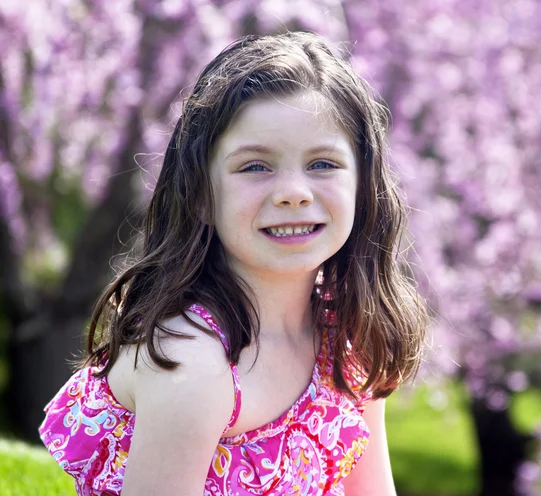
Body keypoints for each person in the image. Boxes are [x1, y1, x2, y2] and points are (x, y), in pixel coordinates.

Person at [39, 31, 428, 496]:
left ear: (364, 188)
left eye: (323, 164)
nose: (294, 192)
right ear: (201, 195)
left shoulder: (346, 336)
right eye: (255, 166)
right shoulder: (192, 363)